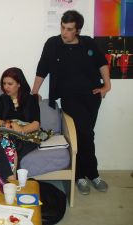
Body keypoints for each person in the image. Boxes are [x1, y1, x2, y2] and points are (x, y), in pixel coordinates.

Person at [32, 10, 111, 195]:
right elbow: (42, 69)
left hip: (92, 97)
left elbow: (102, 63)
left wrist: (106, 86)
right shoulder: (53, 44)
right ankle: (87, 175)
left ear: (77, 30)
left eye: (69, 29)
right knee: (83, 133)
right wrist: (33, 93)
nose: (64, 32)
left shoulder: (88, 43)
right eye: (62, 27)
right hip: (69, 98)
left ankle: (84, 174)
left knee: (86, 135)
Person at [0, 67, 40, 181]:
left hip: (26, 135)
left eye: (10, 84)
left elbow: (36, 124)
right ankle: (12, 180)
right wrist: (11, 123)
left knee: (2, 150)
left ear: (19, 84)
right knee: (3, 138)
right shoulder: (1, 100)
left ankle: (9, 182)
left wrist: (21, 130)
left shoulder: (31, 99)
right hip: (6, 133)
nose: (6, 87)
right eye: (4, 83)